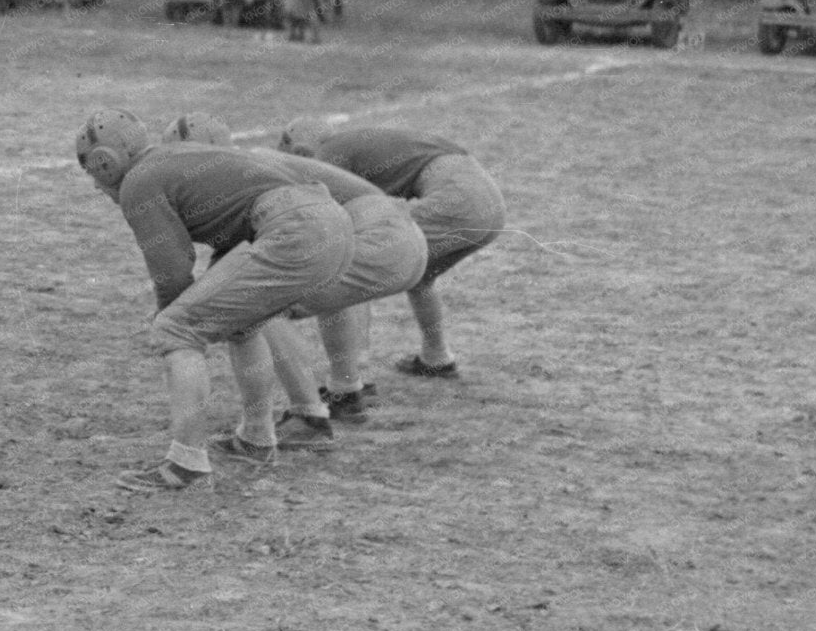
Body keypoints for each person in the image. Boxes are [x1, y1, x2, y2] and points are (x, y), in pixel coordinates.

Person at [76, 109, 354, 494]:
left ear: (105, 160)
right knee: (243, 324)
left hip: (295, 228)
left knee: (174, 329)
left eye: (91, 168)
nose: (94, 182)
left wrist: (172, 321)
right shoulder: (174, 159)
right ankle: (257, 439)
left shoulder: (139, 180)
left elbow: (172, 270)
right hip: (329, 224)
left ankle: (186, 465)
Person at [165, 113, 428, 435]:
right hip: (403, 239)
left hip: (379, 237)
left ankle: (308, 416)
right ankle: (347, 391)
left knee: (256, 304)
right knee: (320, 283)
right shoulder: (252, 163)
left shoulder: (244, 170)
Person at [281, 118, 506, 380]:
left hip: (457, 200)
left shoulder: (328, 152)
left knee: (345, 266)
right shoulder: (359, 142)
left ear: (300, 151)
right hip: (490, 204)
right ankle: (436, 357)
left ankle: (350, 382)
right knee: (421, 276)